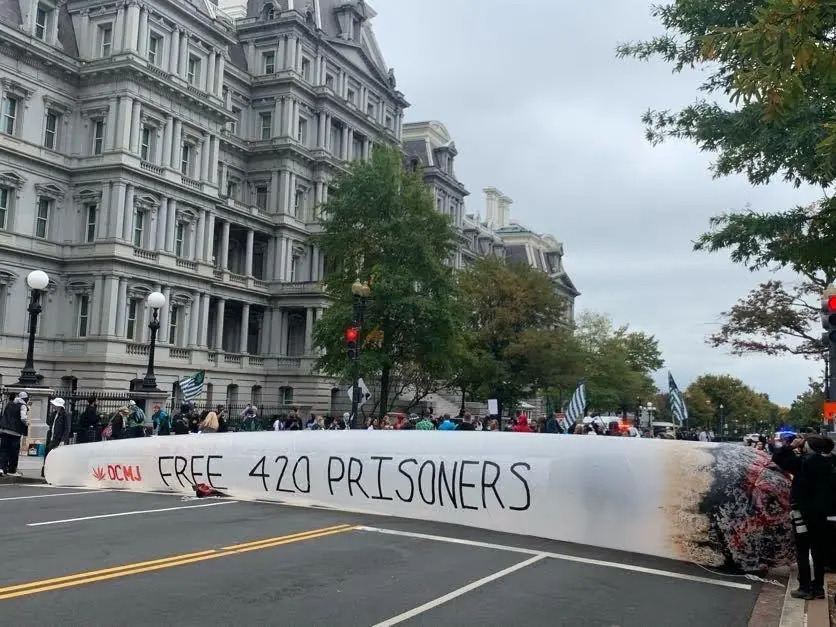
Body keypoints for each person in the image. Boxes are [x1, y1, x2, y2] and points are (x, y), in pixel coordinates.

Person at [772, 434, 834, 600]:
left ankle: (805, 587)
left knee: (802, 549)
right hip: (822, 514)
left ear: (809, 447)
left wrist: (791, 446)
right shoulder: (830, 462)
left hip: (803, 513)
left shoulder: (804, 462)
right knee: (818, 550)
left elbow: (777, 457)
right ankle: (818, 588)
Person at [0, 391, 28, 477]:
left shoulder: (9, 403)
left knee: (3, 450)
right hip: (15, 432)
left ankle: (2, 468)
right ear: (26, 399)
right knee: (13, 452)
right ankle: (11, 470)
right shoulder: (23, 406)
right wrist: (26, 423)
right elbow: (23, 418)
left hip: (5, 430)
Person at [42, 397, 70, 477]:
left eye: (55, 405)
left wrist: (63, 440)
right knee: (48, 454)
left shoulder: (65, 415)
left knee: (54, 456)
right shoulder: (54, 414)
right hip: (51, 437)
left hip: (58, 439)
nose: (53, 406)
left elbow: (66, 428)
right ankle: (46, 471)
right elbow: (49, 422)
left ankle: (52, 471)